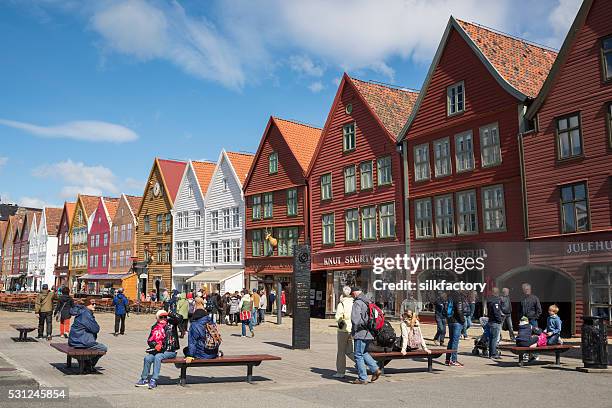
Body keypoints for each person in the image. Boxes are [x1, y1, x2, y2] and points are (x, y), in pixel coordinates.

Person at [135, 309, 182, 389]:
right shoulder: (155, 327)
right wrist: (155, 344)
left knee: (158, 357)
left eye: (165, 317)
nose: (163, 318)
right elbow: (150, 340)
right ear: (157, 318)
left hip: (170, 350)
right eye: (161, 317)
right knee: (147, 358)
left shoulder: (171, 324)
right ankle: (144, 379)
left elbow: (180, 318)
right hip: (158, 350)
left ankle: (154, 379)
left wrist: (169, 313)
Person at [350, 287, 381, 385]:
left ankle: (362, 378)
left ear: (354, 293)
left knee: (358, 355)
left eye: (352, 294)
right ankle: (375, 369)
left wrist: (353, 332)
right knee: (364, 352)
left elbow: (355, 320)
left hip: (361, 333)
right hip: (370, 332)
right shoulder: (368, 301)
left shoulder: (358, 302)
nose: (352, 296)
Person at [68, 299, 107, 373]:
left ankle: (87, 364)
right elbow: (95, 329)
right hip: (81, 341)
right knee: (103, 348)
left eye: (95, 304)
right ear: (87, 305)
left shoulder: (82, 312)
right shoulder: (86, 314)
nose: (94, 305)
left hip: (75, 339)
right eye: (92, 304)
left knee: (95, 346)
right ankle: (89, 365)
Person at [334, 286, 355, 378]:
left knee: (341, 351)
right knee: (350, 351)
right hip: (353, 329)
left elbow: (338, 317)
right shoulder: (355, 302)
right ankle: (366, 363)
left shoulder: (341, 304)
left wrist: (339, 321)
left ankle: (340, 372)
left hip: (343, 330)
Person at [445, 291, 465, 367]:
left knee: (451, 340)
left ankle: (447, 359)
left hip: (450, 321)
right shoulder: (458, 298)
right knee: (455, 341)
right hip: (457, 322)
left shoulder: (449, 298)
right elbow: (459, 311)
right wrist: (463, 320)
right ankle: (454, 360)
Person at [486, 287, 503, 360]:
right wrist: (500, 320)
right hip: (495, 322)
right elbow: (496, 312)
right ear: (497, 293)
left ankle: (491, 353)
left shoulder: (489, 300)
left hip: (490, 321)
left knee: (491, 338)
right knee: (494, 339)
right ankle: (493, 354)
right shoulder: (495, 301)